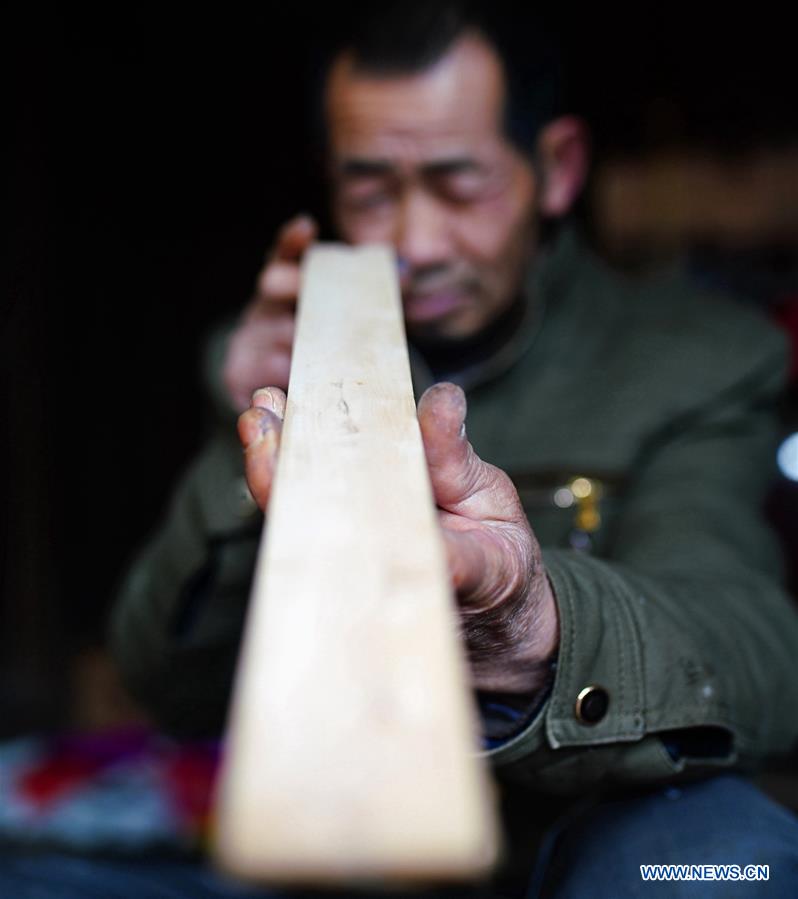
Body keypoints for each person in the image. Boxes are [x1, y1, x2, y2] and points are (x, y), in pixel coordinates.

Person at [102, 3, 798, 897]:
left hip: (593, 829)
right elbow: (165, 687)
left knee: (711, 860)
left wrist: (535, 625)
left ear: (557, 169)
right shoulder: (277, 360)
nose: (414, 243)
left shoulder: (697, 359)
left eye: (458, 186)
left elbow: (757, 654)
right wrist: (252, 439)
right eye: (369, 190)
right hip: (351, 844)